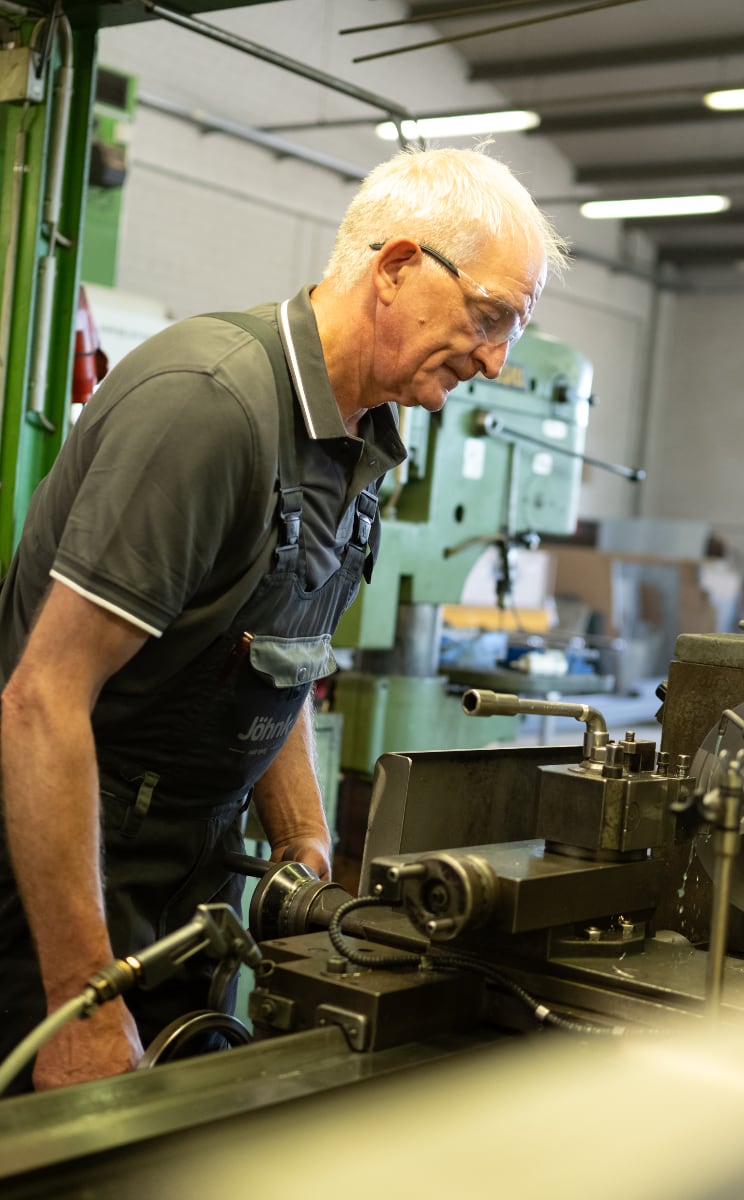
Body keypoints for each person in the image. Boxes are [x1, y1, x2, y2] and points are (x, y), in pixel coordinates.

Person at [0, 144, 566, 1093]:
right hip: (56, 910)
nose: (497, 360)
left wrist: (303, 843)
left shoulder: (364, 439)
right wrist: (84, 998)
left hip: (192, 897)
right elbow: (38, 701)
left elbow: (277, 656)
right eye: (489, 316)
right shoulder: (210, 407)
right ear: (395, 267)